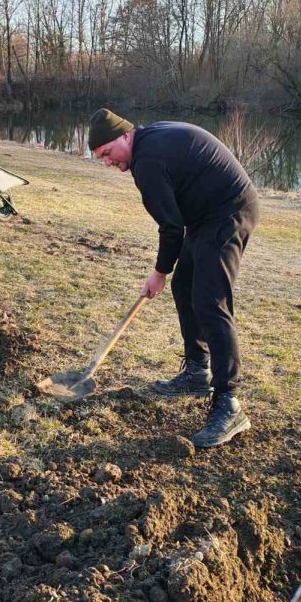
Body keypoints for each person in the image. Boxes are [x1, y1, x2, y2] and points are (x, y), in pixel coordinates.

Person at [88, 108, 260, 448]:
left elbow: (170, 227)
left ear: (124, 136)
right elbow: (178, 222)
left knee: (212, 303)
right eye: (100, 158)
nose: (107, 162)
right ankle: (197, 371)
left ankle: (229, 402)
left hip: (228, 211)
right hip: (206, 214)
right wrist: (170, 275)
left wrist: (159, 273)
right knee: (185, 286)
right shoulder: (150, 141)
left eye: (107, 153)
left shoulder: (147, 162)